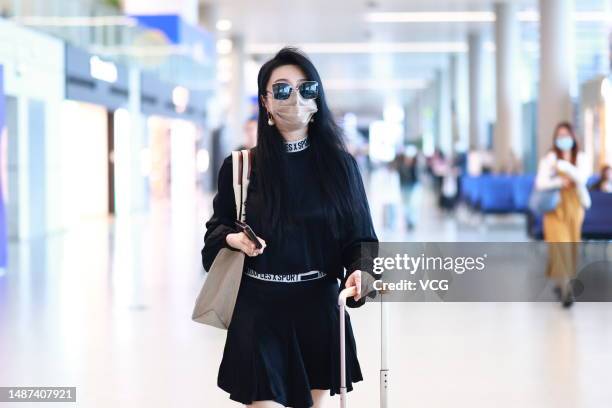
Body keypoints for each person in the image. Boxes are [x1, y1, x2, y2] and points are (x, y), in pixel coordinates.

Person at [201, 47, 379, 408]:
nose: (294, 98)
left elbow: (361, 238)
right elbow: (212, 239)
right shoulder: (239, 167)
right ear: (265, 101)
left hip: (318, 306)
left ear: (318, 98)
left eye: (306, 88)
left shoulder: (340, 169)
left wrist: (361, 272)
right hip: (258, 309)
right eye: (281, 90)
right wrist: (233, 239)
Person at [535, 121, 591, 308]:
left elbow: (582, 178)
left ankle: (561, 283)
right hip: (554, 210)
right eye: (559, 136)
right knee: (561, 248)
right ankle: (567, 290)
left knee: (572, 248)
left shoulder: (581, 158)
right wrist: (559, 181)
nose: (563, 140)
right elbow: (541, 183)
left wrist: (566, 168)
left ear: (573, 137)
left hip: (575, 208)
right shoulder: (549, 159)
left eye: (566, 135)